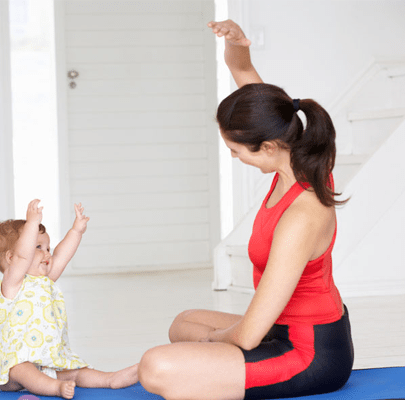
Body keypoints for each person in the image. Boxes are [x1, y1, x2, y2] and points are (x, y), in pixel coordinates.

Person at [137, 20, 354, 400]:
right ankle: (208, 360)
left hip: (309, 354)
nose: (234, 157)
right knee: (181, 324)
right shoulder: (296, 153)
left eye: (236, 151)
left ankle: (206, 365)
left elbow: (250, 335)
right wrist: (239, 45)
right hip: (278, 325)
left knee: (156, 366)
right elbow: (246, 80)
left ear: (268, 147)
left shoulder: (301, 216)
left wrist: (212, 342)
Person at [0, 199, 138, 399]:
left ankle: (110, 379)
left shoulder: (45, 280)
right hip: (12, 369)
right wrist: (31, 224)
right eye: (38, 246)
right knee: (23, 370)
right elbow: (24, 257)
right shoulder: (13, 282)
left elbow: (62, 256)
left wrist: (76, 231)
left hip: (47, 363)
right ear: (11, 258)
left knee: (75, 371)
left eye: (47, 247)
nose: (47, 253)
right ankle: (55, 388)